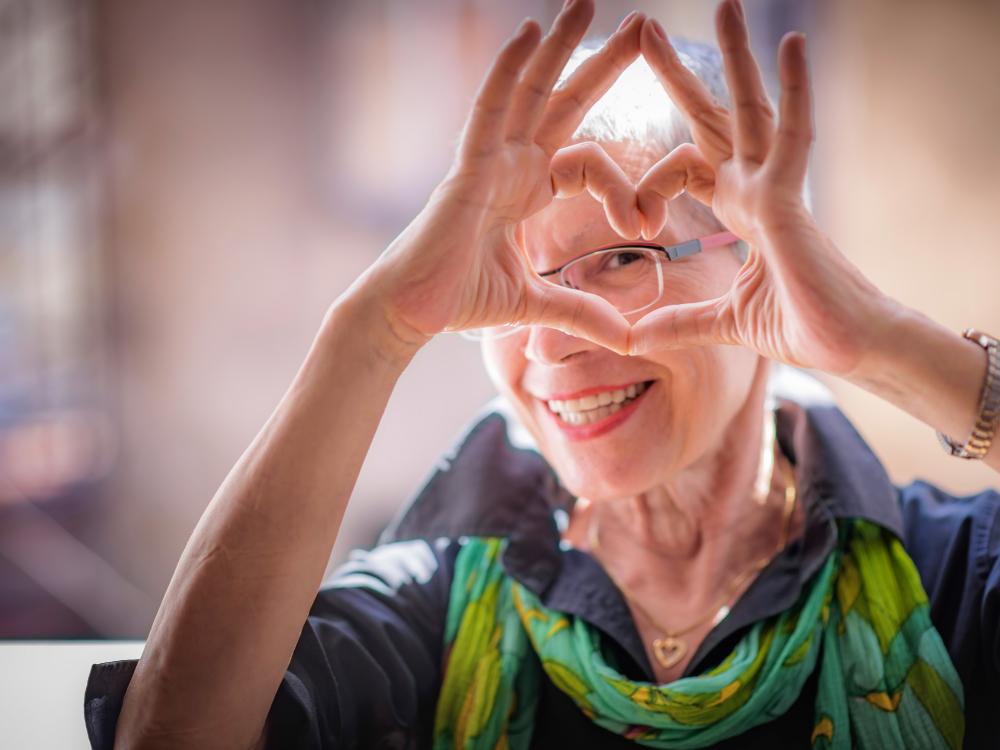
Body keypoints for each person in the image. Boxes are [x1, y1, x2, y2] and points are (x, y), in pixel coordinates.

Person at [84, 1, 1000, 748]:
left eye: (623, 258)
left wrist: (886, 344)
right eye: (513, 286)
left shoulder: (950, 574)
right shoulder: (434, 601)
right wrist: (371, 334)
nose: (552, 343)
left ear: (760, 260)